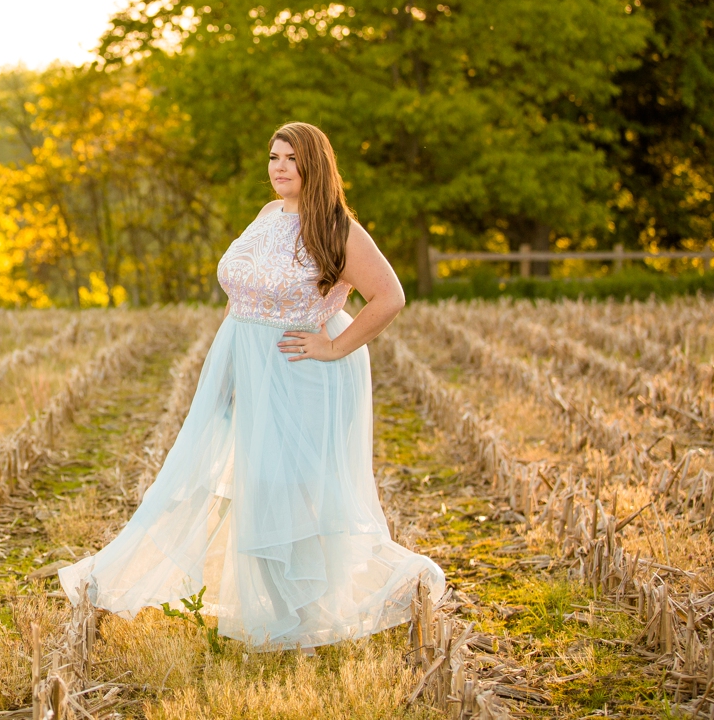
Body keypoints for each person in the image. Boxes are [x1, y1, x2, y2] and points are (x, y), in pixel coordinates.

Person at [59, 121, 443, 649]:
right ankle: (274, 610)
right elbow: (244, 296)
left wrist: (332, 346)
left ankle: (309, 615)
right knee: (245, 485)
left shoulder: (337, 229)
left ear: (316, 165)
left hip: (305, 371)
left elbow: (390, 296)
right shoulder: (267, 216)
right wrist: (236, 371)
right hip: (248, 363)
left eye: (291, 159)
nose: (279, 168)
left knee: (291, 492)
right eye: (273, 157)